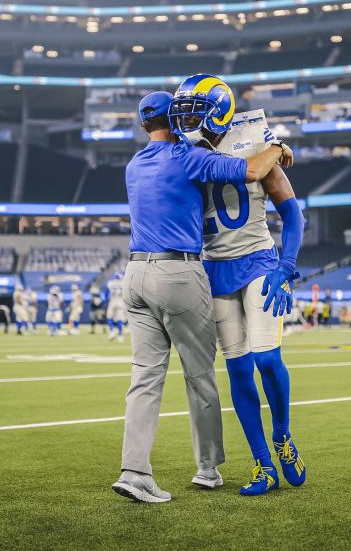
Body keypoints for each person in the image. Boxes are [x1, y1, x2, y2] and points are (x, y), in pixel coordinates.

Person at [113, 89, 288, 504]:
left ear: (143, 124)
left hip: (134, 274)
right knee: (200, 375)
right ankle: (208, 470)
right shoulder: (186, 157)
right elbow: (251, 170)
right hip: (179, 271)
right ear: (174, 121)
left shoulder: (134, 165)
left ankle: (134, 471)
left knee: (144, 379)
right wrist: (278, 146)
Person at [176, 85, 306, 497]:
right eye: (185, 114)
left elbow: (291, 210)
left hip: (258, 261)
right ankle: (263, 464)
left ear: (219, 112)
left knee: (267, 358)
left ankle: (283, 436)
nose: (188, 122)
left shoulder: (255, 143)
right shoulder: (188, 153)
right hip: (216, 269)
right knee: (236, 369)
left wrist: (286, 267)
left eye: (197, 113)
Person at [106, 273, 127, 342]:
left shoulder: (110, 283)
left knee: (109, 317)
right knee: (119, 319)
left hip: (112, 301)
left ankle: (111, 332)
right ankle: (120, 336)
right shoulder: (124, 283)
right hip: (120, 302)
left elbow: (106, 294)